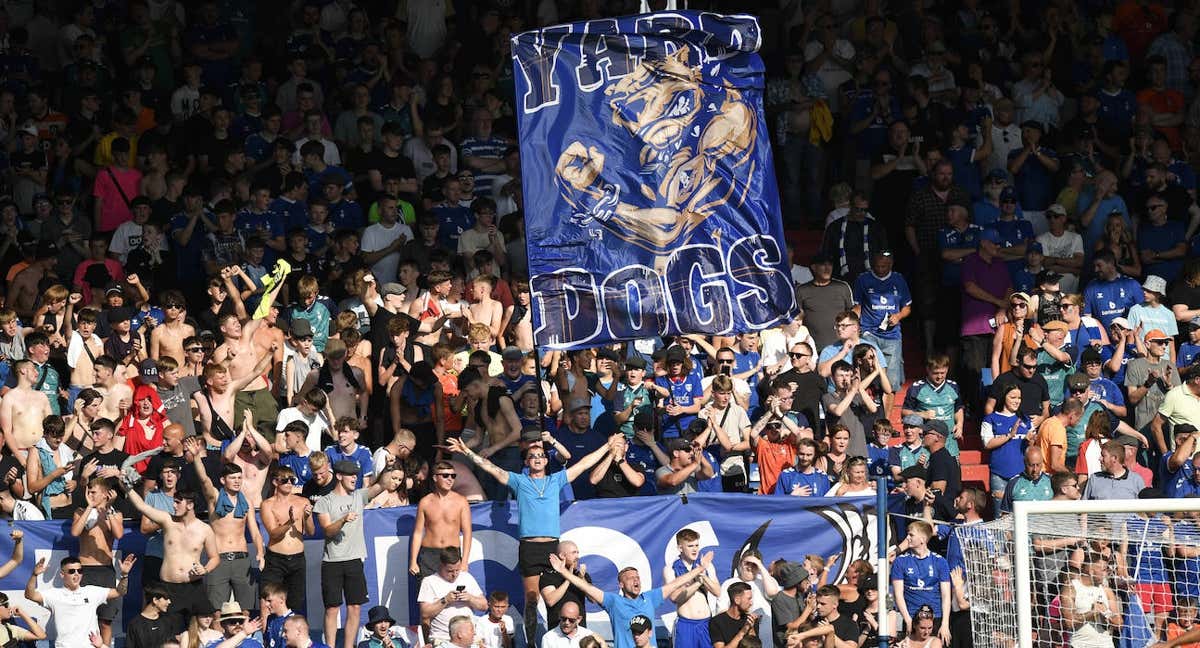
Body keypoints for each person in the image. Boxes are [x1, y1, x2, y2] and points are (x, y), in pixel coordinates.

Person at [447, 428, 616, 641]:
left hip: (552, 547)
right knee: (532, 599)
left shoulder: (556, 480)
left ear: (546, 461)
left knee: (559, 597)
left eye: (541, 456)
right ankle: (531, 643)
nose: (537, 458)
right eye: (532, 456)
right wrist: (467, 452)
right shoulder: (520, 481)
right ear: (527, 462)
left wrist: (608, 446)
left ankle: (561, 639)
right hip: (530, 548)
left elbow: (583, 464)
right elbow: (491, 468)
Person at [548, 549, 718, 648]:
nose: (636, 580)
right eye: (630, 578)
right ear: (620, 585)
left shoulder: (650, 598)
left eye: (637, 577)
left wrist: (700, 568)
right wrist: (563, 572)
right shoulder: (614, 602)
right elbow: (588, 588)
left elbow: (675, 584)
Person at [314, 460, 387, 648]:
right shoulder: (324, 501)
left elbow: (381, 485)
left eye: (356, 474)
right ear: (339, 476)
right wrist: (343, 520)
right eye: (350, 474)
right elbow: (328, 531)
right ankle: (329, 647)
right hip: (332, 561)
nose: (355, 477)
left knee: (354, 608)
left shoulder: (359, 496)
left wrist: (388, 467)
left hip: (354, 560)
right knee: (332, 609)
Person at [24, 553, 135, 648]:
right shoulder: (54, 594)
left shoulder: (91, 591)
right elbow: (30, 595)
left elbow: (119, 592)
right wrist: (34, 575)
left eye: (79, 570)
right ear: (62, 574)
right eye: (72, 571)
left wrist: (124, 575)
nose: (76, 574)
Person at [260, 464, 315, 613]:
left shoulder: (302, 502)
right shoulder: (267, 504)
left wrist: (307, 517)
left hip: (297, 559)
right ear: (275, 482)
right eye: (285, 480)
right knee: (269, 601)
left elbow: (310, 532)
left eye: (292, 479)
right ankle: (268, 635)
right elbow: (273, 533)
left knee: (295, 603)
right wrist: (289, 522)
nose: (290, 483)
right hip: (276, 560)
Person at [890, 521, 951, 643]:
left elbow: (946, 595)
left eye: (911, 535)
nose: (907, 538)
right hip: (912, 617)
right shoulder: (901, 561)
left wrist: (945, 624)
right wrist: (907, 620)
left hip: (935, 618)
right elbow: (898, 594)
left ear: (922, 539)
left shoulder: (940, 562)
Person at [417, 546, 488, 644]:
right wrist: (445, 600)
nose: (454, 574)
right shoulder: (429, 581)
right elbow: (425, 613)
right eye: (450, 571)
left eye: (457, 570)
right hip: (443, 639)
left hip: (469, 638)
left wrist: (470, 598)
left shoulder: (467, 577)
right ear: (441, 565)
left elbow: (484, 606)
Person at [665, 528, 721, 648]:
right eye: (690, 546)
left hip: (706, 624)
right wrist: (697, 582)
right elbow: (674, 597)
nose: (695, 549)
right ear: (680, 548)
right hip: (686, 625)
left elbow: (717, 591)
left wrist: (703, 577)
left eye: (696, 545)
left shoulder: (706, 565)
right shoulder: (670, 569)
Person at [1061, 552, 1122, 648]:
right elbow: (1069, 623)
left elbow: (1119, 624)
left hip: (1105, 645)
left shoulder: (1107, 591)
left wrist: (1106, 613)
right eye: (1104, 570)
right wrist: (1093, 612)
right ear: (1091, 571)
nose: (1107, 573)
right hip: (1080, 645)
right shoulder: (1071, 588)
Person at [125, 584, 176, 648]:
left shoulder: (167, 621)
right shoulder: (135, 624)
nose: (169, 602)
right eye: (166, 598)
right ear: (155, 600)